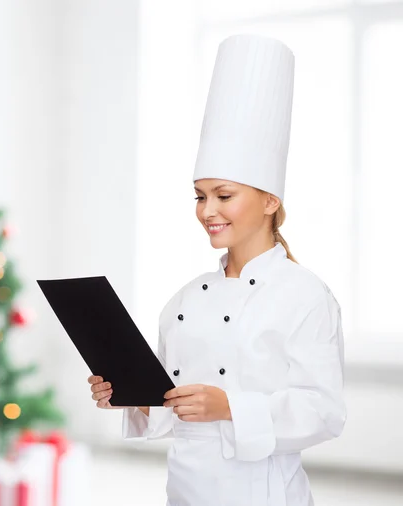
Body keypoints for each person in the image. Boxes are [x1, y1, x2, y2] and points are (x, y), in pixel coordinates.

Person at [87, 33, 346, 505]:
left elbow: (324, 411)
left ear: (270, 200)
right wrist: (132, 394)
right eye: (200, 196)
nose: (208, 210)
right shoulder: (185, 299)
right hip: (185, 488)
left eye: (224, 195)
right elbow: (173, 407)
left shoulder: (305, 296)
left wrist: (230, 407)